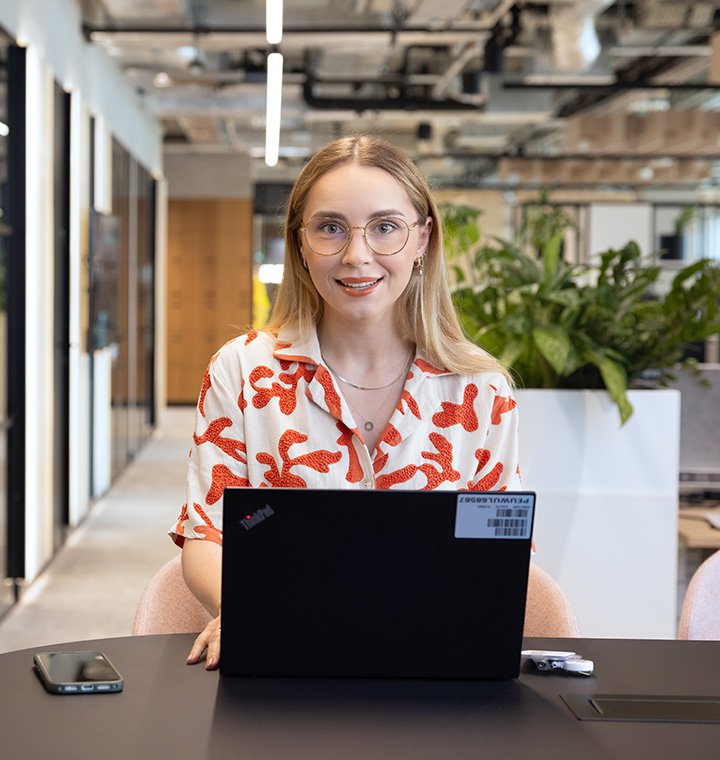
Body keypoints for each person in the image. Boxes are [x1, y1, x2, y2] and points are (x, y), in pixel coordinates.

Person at [170, 134, 521, 669]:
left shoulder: (480, 388)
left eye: (386, 228)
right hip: (284, 660)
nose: (357, 256)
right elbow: (208, 534)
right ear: (301, 243)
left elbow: (496, 556)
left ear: (422, 239)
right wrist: (251, 613)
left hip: (433, 669)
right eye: (331, 228)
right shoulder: (243, 370)